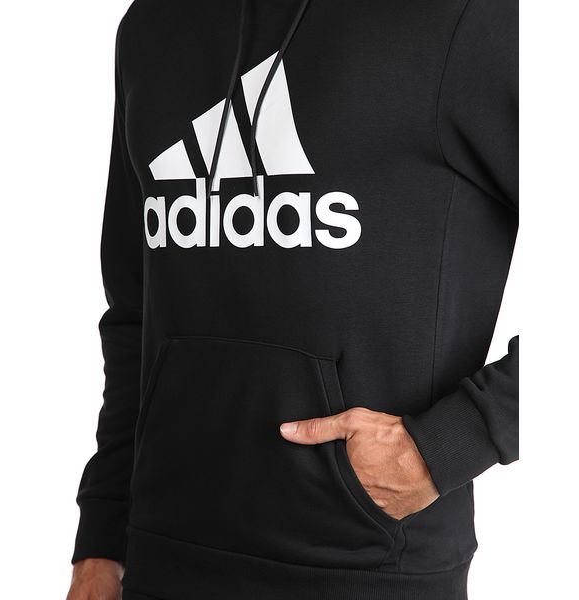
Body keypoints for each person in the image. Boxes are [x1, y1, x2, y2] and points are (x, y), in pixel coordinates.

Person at [67, 0, 519, 598]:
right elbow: (135, 313)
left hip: (361, 564)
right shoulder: (151, 25)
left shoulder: (465, 16)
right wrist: (102, 536)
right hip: (161, 550)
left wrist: (453, 441)